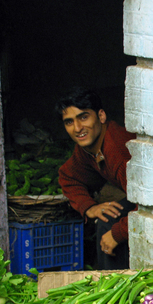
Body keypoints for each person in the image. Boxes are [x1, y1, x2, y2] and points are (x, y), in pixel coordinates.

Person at [56, 87, 137, 270]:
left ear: (101, 116)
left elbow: (147, 204)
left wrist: (117, 234)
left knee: (109, 225)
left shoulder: (117, 150)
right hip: (137, 199)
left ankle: (115, 288)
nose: (77, 128)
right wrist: (89, 207)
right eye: (69, 122)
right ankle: (110, 284)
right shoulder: (87, 149)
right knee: (106, 216)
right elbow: (68, 176)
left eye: (84, 117)